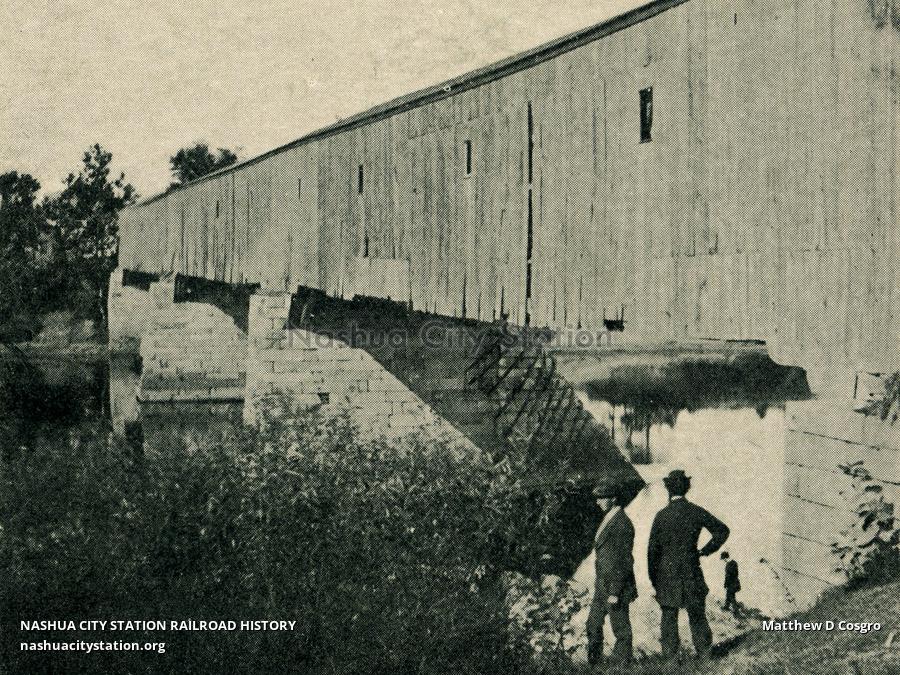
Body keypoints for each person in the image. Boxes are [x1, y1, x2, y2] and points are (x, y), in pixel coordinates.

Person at [648, 469, 730, 659]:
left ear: (668, 489)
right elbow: (722, 531)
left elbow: (652, 553)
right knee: (697, 614)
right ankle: (705, 655)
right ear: (686, 488)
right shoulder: (696, 511)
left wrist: (654, 579)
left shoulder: (661, 516)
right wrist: (705, 550)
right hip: (691, 570)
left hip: (666, 574)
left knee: (669, 617)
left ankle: (670, 660)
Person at [585, 480, 637, 667]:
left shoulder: (622, 523)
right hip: (602, 585)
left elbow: (624, 561)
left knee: (621, 629)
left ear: (613, 499)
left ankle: (622, 665)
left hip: (615, 586)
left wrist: (615, 591)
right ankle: (595, 664)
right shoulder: (609, 519)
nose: (598, 502)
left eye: (602, 498)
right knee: (592, 624)